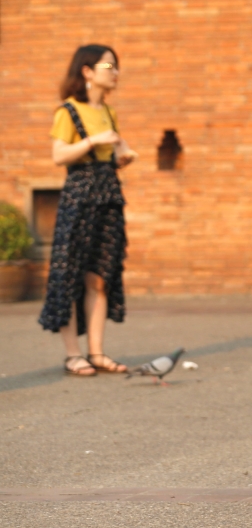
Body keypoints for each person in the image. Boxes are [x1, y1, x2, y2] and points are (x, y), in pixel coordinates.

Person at [39, 45, 137, 376]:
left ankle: (96, 352)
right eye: (109, 65)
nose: (115, 72)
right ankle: (72, 355)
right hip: (78, 198)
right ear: (87, 71)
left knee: (100, 276)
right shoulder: (67, 111)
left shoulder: (109, 113)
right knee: (69, 273)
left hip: (108, 196)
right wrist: (94, 141)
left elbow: (109, 158)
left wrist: (120, 158)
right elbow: (59, 156)